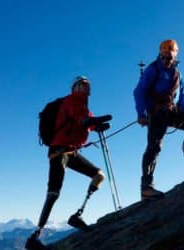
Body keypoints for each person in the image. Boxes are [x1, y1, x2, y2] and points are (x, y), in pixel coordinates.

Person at [26, 76, 111, 249]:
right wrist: (91, 123)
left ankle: (77, 215)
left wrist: (96, 126)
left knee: (99, 175)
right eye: (81, 85)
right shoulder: (71, 101)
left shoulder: (83, 106)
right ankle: (34, 236)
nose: (85, 87)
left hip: (70, 152)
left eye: (87, 85)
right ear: (74, 88)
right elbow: (82, 119)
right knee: (53, 193)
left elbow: (87, 120)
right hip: (59, 151)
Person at [133, 39, 184, 200]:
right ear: (160, 54)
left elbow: (182, 96)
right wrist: (141, 114)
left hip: (172, 111)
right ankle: (146, 187)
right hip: (157, 113)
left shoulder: (177, 75)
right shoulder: (153, 70)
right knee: (154, 147)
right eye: (163, 56)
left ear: (175, 56)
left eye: (169, 57)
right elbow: (139, 91)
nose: (166, 60)